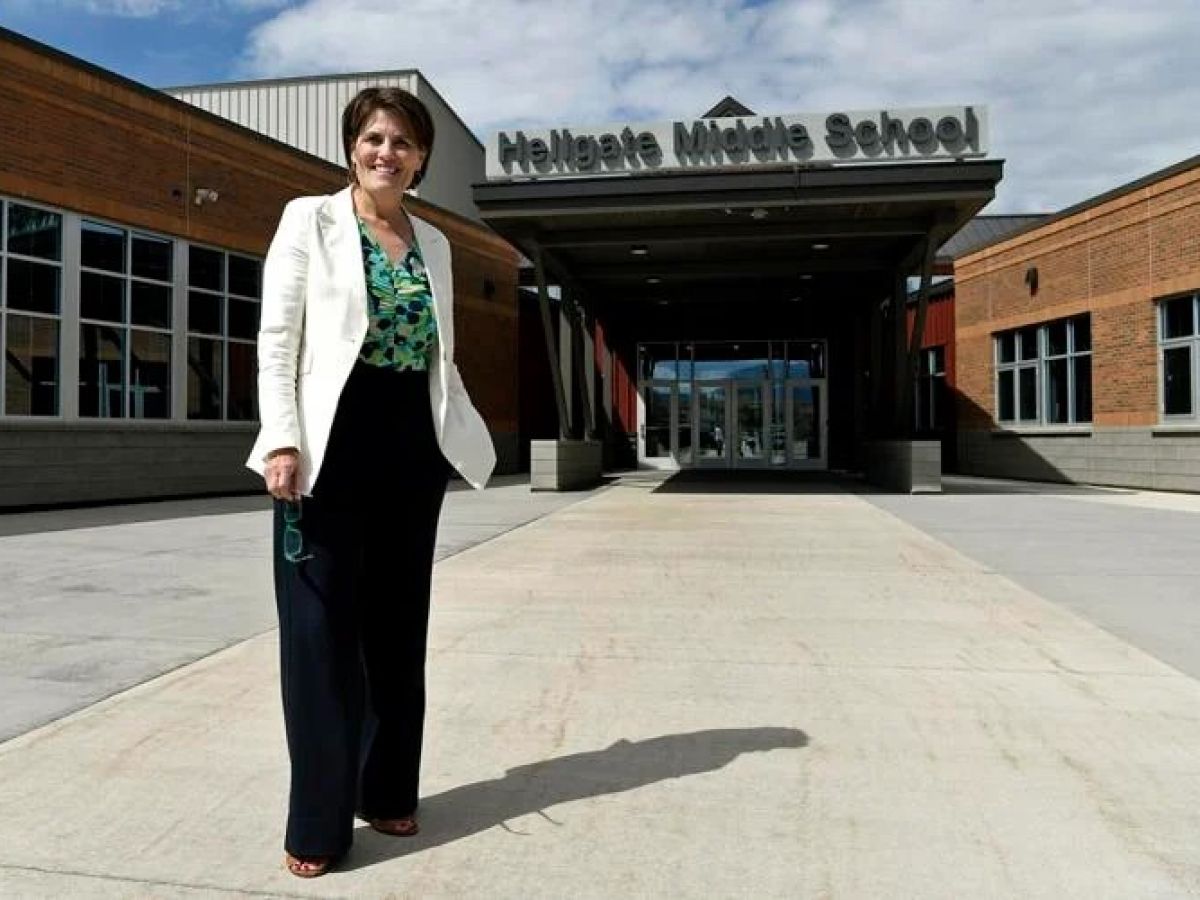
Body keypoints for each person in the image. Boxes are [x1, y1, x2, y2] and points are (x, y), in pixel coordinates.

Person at [245, 86, 496, 878]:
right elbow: (278, 338)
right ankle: (317, 822)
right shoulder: (308, 220)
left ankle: (387, 786)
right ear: (352, 144)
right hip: (329, 442)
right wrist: (282, 439)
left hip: (408, 447)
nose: (387, 152)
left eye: (403, 142)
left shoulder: (436, 242)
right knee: (319, 638)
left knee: (396, 627)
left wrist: (452, 437)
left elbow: (438, 356)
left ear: (423, 158)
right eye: (374, 138)